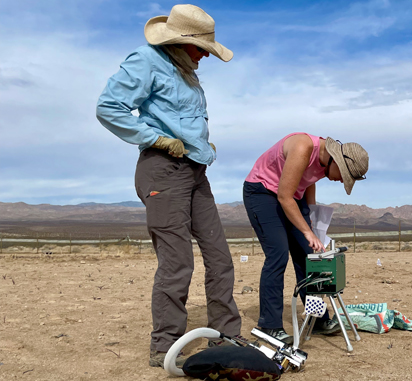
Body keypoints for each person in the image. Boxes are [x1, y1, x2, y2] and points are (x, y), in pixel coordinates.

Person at [96, 4, 241, 367]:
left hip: (195, 172)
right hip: (162, 170)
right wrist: (156, 139)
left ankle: (226, 335)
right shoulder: (146, 60)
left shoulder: (187, 71)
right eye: (201, 48)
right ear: (180, 42)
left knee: (220, 258)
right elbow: (109, 107)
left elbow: (185, 121)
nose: (205, 55)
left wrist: (203, 147)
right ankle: (165, 345)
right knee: (177, 264)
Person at [243, 133, 369, 344]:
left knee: (308, 257)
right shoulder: (303, 148)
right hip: (263, 193)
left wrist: (310, 215)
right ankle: (269, 326)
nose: (340, 181)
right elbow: (284, 196)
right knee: (278, 254)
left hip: (291, 196)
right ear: (336, 160)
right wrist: (307, 231)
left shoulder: (323, 159)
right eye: (343, 176)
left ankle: (317, 319)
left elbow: (307, 179)